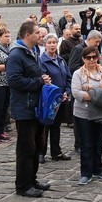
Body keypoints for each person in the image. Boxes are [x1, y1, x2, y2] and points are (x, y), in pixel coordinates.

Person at [6, 21, 52, 198]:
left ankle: (32, 180)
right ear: (27, 34)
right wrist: (39, 81)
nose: (40, 35)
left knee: (36, 146)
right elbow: (15, 81)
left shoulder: (33, 52)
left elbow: (34, 75)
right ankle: (23, 186)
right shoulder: (16, 55)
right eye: (37, 33)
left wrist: (43, 79)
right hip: (24, 108)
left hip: (36, 107)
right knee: (26, 149)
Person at [71, 45, 102, 184]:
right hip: (83, 113)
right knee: (87, 143)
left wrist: (94, 93)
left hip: (101, 112)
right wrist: (99, 94)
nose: (92, 60)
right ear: (83, 59)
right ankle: (86, 172)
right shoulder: (78, 74)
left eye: (94, 57)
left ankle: (98, 168)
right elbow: (77, 93)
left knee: (99, 143)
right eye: (88, 57)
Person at [39, 34, 72, 164]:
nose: (52, 45)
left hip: (61, 98)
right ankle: (41, 153)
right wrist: (56, 93)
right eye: (50, 42)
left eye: (54, 42)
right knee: (45, 126)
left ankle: (56, 152)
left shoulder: (61, 60)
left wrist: (66, 92)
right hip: (49, 99)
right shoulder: (42, 61)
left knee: (56, 126)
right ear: (45, 45)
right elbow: (45, 80)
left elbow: (68, 78)